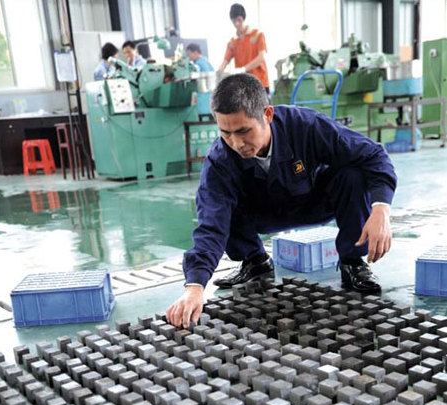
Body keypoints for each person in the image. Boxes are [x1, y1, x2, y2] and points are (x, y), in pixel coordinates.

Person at [166, 73, 397, 328]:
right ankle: (255, 261)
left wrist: (381, 209)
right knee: (220, 206)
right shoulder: (219, 160)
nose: (236, 143)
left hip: (313, 202)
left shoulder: (306, 126)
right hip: (262, 214)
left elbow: (373, 155)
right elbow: (210, 225)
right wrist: (195, 285)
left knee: (351, 174)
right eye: (226, 133)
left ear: (267, 114)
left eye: (244, 131)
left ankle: (353, 262)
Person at [218, 3, 269, 93]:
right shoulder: (232, 42)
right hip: (243, 85)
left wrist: (244, 69)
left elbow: (261, 58)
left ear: (243, 18)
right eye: (234, 21)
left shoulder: (257, 35)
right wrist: (218, 74)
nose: (237, 24)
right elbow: (225, 61)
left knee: (263, 107)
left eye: (239, 20)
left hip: (260, 83)